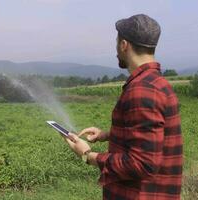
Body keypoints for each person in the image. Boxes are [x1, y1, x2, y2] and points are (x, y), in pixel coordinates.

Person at [64, 14, 183, 200]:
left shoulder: (142, 90)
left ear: (124, 45)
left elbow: (142, 163)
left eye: (117, 42)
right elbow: (151, 136)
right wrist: (106, 135)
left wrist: (88, 155)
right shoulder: (157, 84)